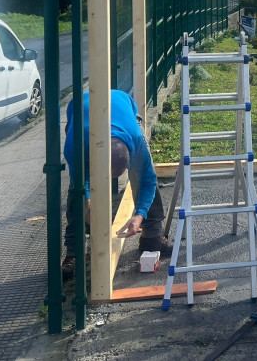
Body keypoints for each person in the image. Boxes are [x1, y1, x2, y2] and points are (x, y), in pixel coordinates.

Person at [61, 89, 173, 280]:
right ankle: (74, 252)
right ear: (93, 160)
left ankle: (152, 236)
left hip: (123, 105)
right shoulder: (75, 146)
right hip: (80, 110)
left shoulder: (136, 143)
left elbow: (147, 181)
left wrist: (139, 216)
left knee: (146, 175)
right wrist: (87, 201)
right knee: (75, 190)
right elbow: (81, 180)